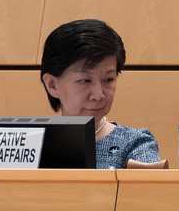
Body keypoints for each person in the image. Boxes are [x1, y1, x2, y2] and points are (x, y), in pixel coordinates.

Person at [38, 18, 163, 168]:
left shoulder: (135, 144)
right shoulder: (31, 144)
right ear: (52, 85)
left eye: (109, 79)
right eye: (85, 80)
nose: (99, 95)